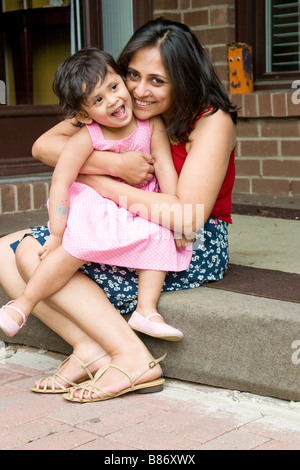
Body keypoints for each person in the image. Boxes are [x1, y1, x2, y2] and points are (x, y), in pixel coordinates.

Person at [0, 18, 237, 403]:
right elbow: (44, 147)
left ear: (184, 78)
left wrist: (97, 181)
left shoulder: (212, 121)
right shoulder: (114, 105)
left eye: (157, 81)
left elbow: (187, 217)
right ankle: (89, 348)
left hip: (188, 239)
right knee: (2, 251)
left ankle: (131, 357)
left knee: (29, 252)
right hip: (122, 219)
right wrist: (113, 165)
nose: (139, 91)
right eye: (132, 75)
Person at [0, 48, 189, 342]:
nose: (113, 100)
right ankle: (22, 305)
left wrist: (177, 217)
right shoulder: (87, 136)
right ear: (83, 114)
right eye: (98, 100)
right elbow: (61, 182)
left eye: (114, 87)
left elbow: (164, 166)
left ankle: (146, 310)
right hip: (96, 202)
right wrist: (57, 231)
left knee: (159, 233)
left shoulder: (150, 124)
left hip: (136, 201)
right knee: (79, 242)